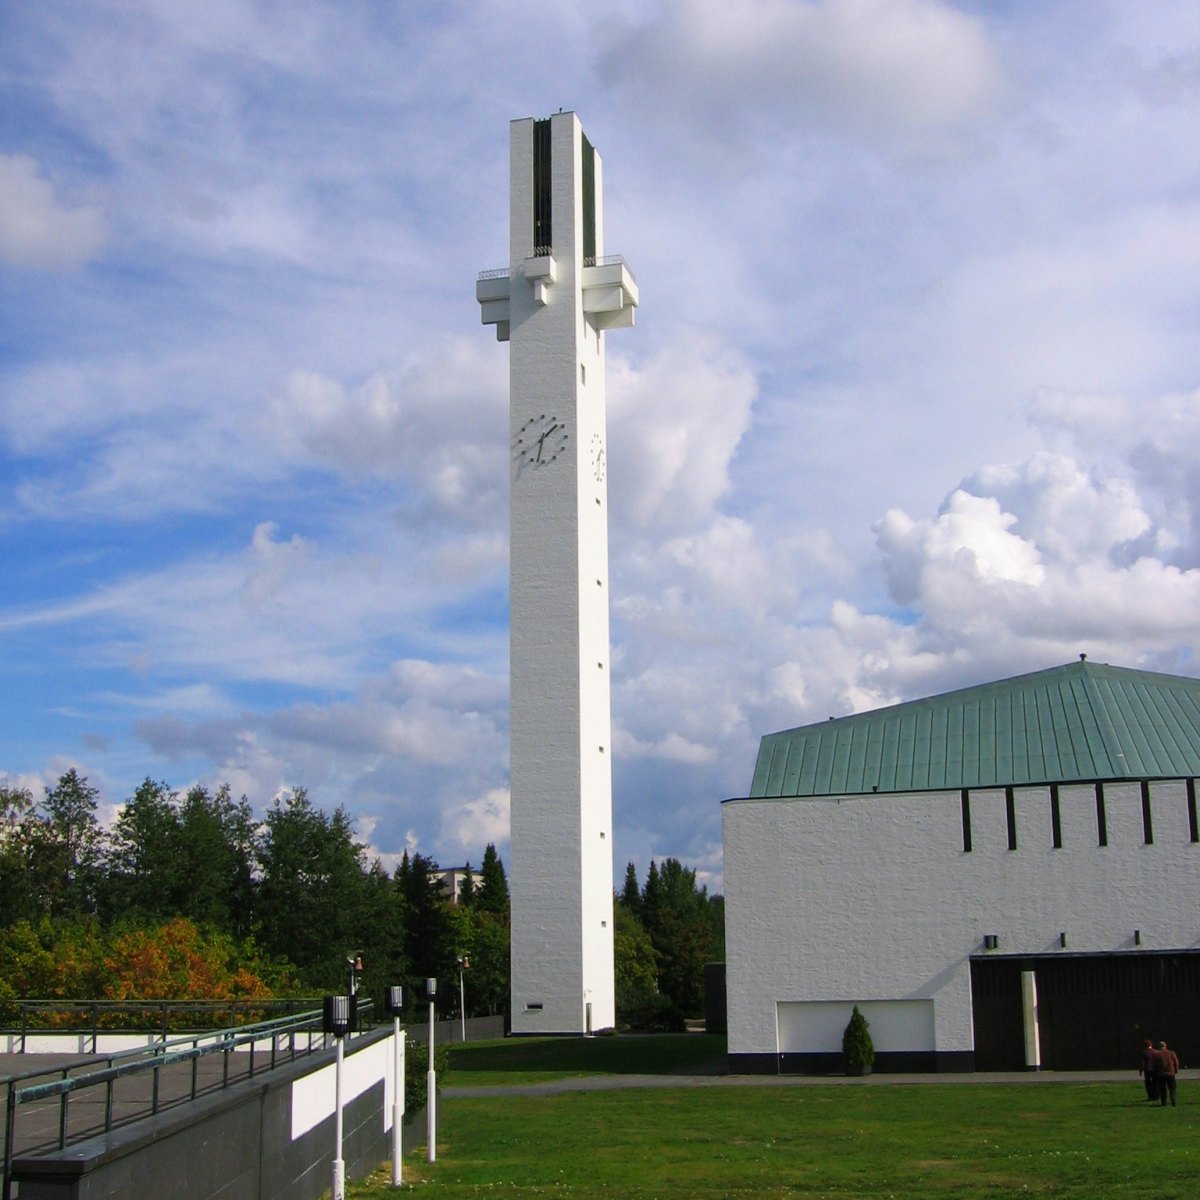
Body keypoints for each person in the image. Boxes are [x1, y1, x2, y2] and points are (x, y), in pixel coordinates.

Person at [1157, 1041, 1179, 1107]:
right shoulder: (1171, 1053)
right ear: (1165, 1046)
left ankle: (1163, 1102)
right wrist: (1175, 1070)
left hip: (1161, 1074)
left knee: (1162, 1089)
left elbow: (1155, 1064)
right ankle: (1173, 1100)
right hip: (1171, 1073)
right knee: (1172, 1088)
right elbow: (1176, 1062)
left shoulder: (1157, 1054)